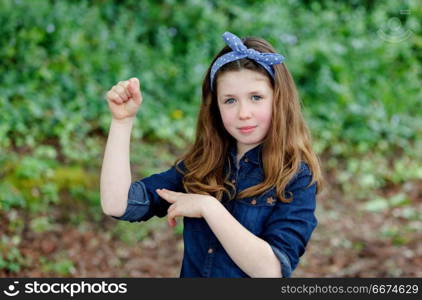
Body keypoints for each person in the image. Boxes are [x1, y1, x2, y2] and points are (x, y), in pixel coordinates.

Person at [100, 32, 323, 278]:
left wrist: (209, 207)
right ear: (215, 107)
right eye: (230, 101)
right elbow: (118, 204)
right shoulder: (202, 165)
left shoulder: (296, 176)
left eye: (256, 97)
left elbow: (272, 271)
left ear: (279, 100)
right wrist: (122, 122)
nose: (243, 113)